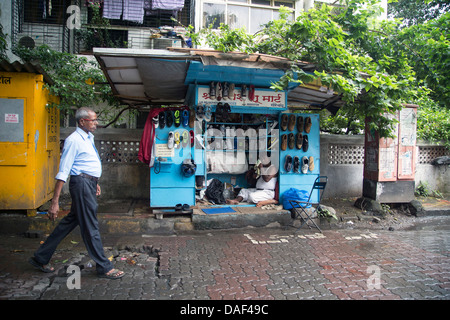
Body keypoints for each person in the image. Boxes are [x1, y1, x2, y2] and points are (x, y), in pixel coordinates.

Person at [29, 107, 124, 279]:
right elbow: (64, 171)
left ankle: (40, 257)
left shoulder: (87, 137)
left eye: (96, 120)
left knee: (70, 221)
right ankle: (104, 266)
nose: (96, 123)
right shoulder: (74, 140)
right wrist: (55, 201)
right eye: (93, 120)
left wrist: (95, 182)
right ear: (82, 122)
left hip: (87, 183)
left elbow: (86, 164)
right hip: (81, 185)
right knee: (90, 226)